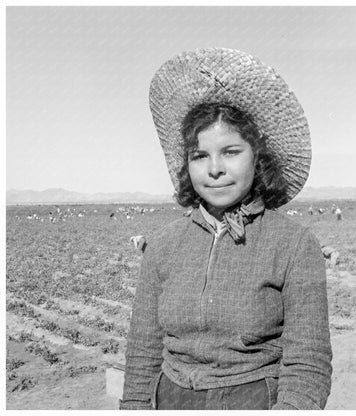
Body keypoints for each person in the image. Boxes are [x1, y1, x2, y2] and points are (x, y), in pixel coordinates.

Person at [120, 47, 332, 410]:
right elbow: (143, 351)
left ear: (258, 157)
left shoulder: (294, 245)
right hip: (170, 398)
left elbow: (307, 364)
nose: (214, 169)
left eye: (230, 152)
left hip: (254, 399)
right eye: (200, 155)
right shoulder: (164, 245)